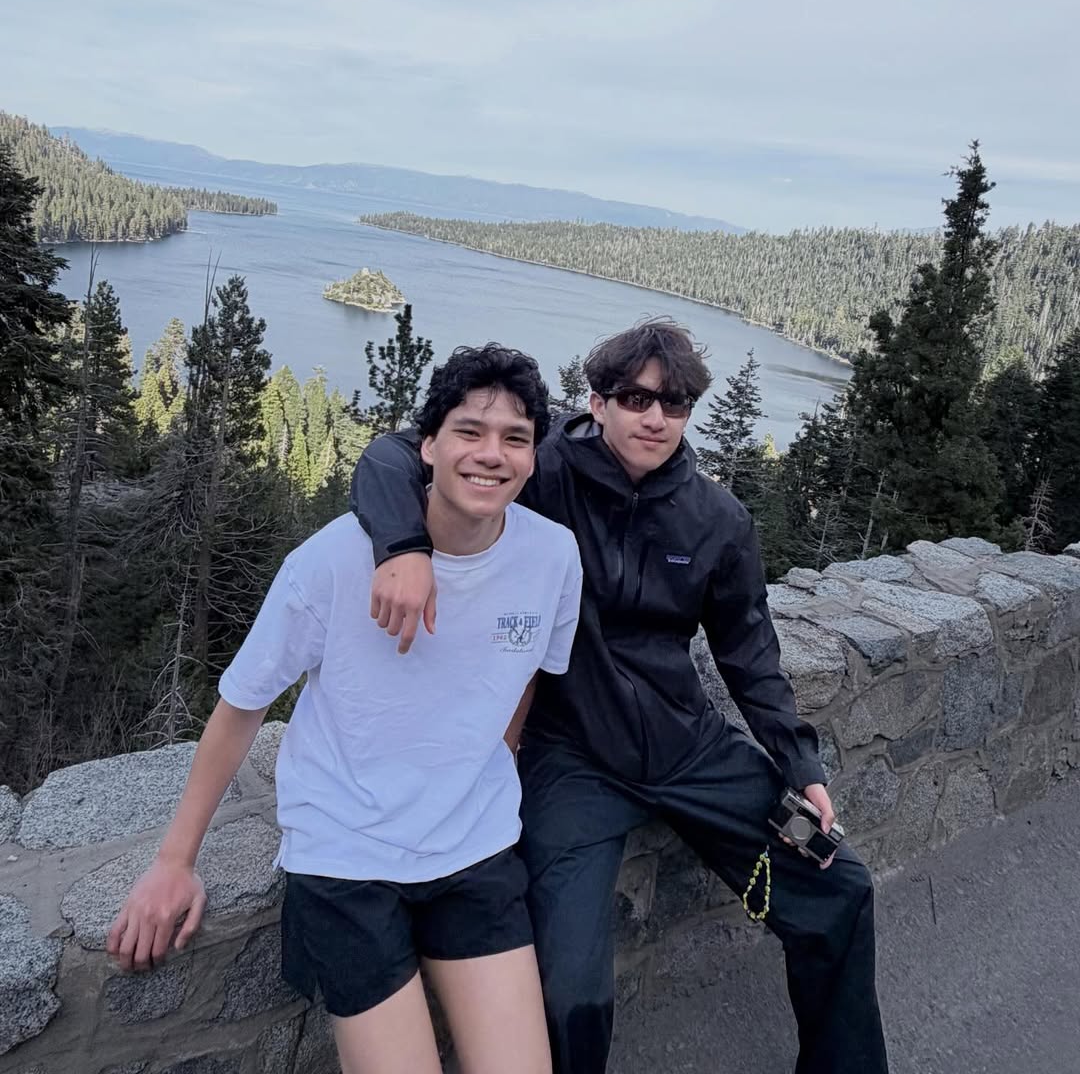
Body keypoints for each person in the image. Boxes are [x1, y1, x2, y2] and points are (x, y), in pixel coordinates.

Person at [351, 319, 889, 1074]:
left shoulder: (717, 520)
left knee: (841, 888)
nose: (655, 417)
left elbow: (749, 653)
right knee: (569, 989)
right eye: (634, 397)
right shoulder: (542, 474)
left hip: (687, 746)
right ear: (597, 402)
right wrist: (404, 550)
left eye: (675, 403)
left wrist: (801, 765)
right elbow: (389, 455)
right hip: (573, 756)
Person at [107, 344, 582, 1074]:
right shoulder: (333, 560)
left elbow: (525, 679)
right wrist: (175, 861)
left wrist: (496, 763)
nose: (492, 454)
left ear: (532, 457)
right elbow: (241, 706)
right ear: (427, 446)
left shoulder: (552, 557)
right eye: (469, 431)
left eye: (515, 438)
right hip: (346, 855)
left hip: (475, 847)